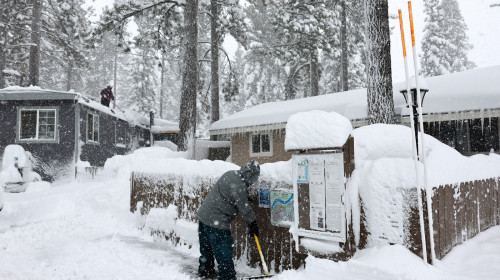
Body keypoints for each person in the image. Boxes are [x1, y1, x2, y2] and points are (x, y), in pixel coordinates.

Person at [197, 160, 261, 280]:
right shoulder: (240, 185)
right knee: (224, 251)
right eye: (254, 179)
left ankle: (205, 270)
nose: (254, 182)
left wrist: (244, 197)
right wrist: (253, 223)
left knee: (207, 250)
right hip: (217, 221)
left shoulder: (231, 174)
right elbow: (244, 207)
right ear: (251, 176)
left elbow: (229, 194)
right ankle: (228, 276)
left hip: (204, 217)